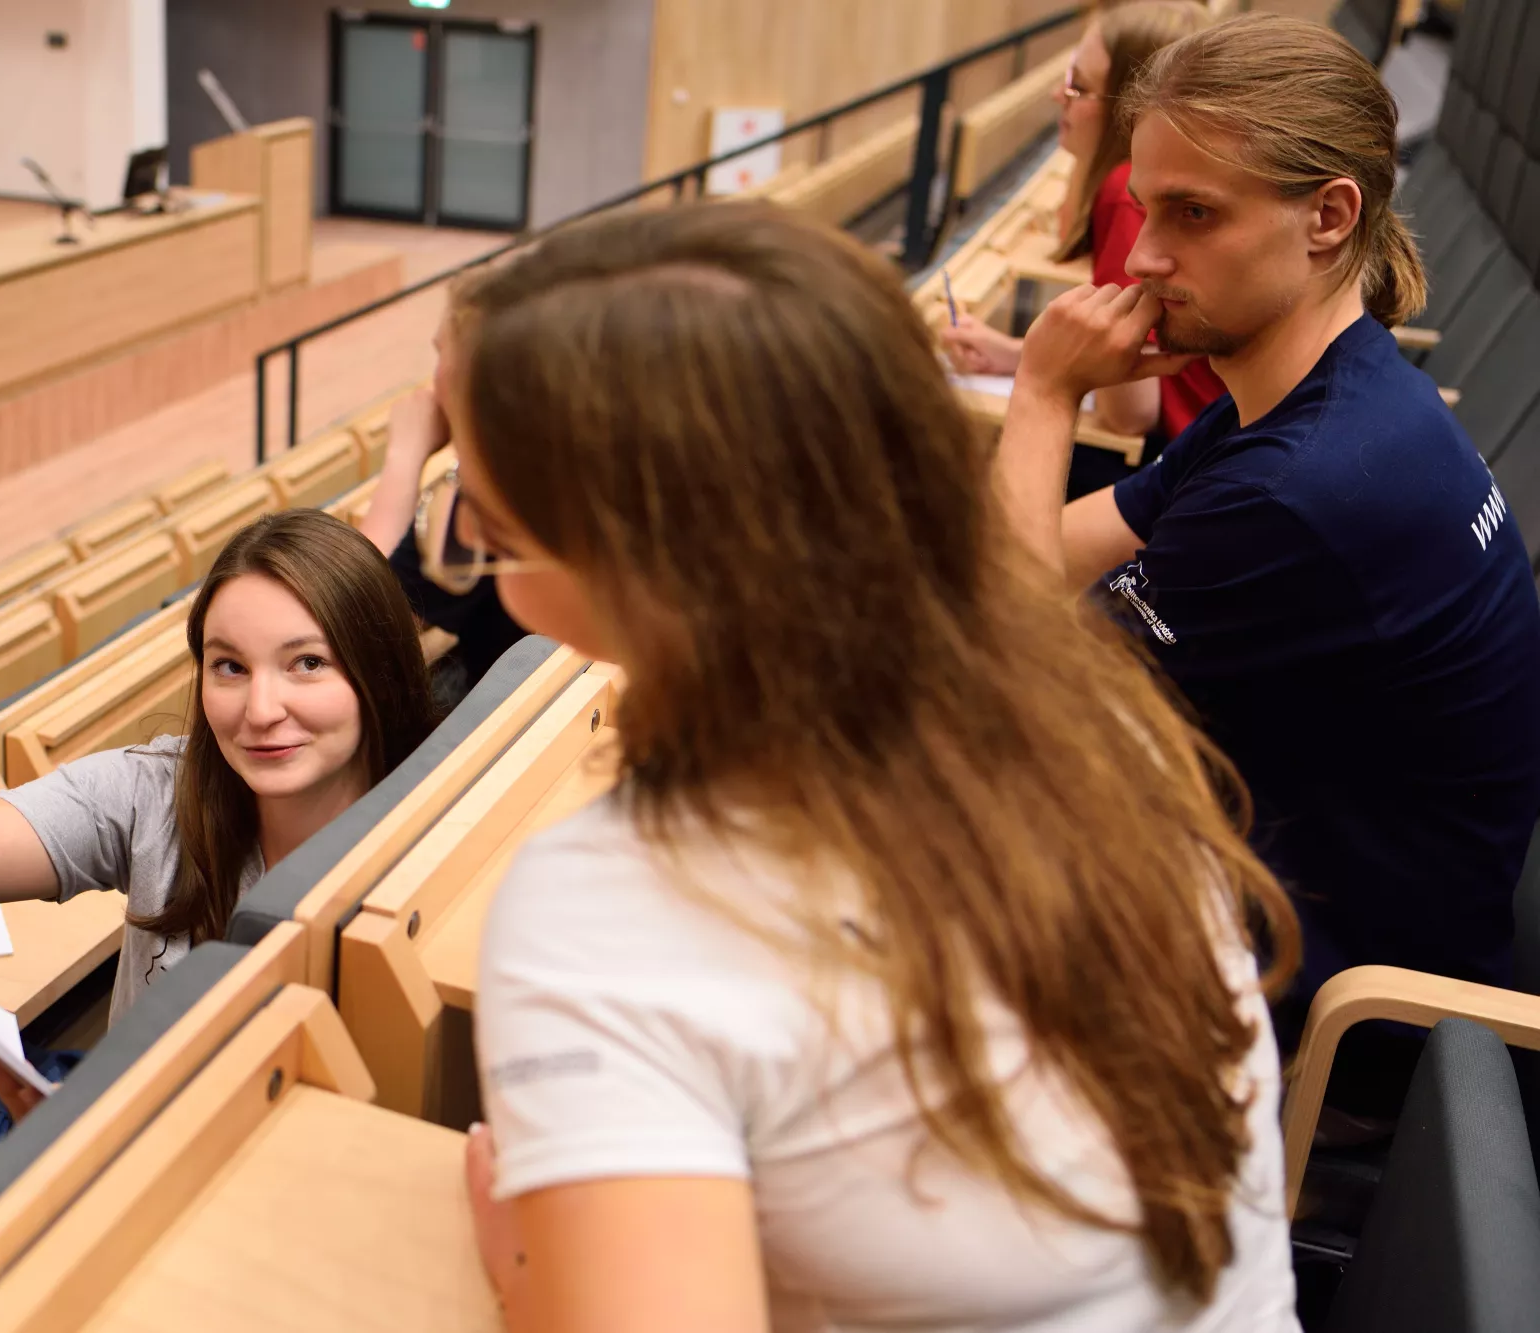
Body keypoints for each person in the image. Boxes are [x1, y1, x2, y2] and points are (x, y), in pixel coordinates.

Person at [436, 204, 1300, 1330]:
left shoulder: (600, 914)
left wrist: (523, 1265)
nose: (478, 557)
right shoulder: (1095, 717)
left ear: (646, 571)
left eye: (493, 534)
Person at [993, 14, 1540, 1108]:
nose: (1143, 256)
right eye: (1146, 207)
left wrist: (1043, 394)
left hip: (1328, 1031)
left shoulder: (1307, 489)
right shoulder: (1307, 391)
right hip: (1260, 879)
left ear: (1327, 216)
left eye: (1192, 215)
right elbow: (1042, 564)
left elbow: (994, 674)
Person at [0, 511, 437, 1117]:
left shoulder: (434, 846)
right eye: (228, 666)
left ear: (375, 669)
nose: (259, 710)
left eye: (306, 662)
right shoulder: (158, 791)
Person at [943, 1, 1222, 498]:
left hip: (1177, 465)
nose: (1058, 95)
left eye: (1078, 87)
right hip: (1200, 448)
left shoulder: (1124, 193)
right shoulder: (1154, 187)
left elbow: (1128, 415)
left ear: (1126, 109)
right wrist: (1016, 356)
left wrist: (1039, 384)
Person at [359, 326, 527, 696]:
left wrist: (406, 451)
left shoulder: (494, 486)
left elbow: (358, 613)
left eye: (440, 353)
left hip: (507, 705)